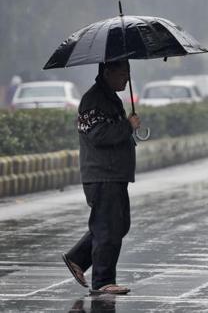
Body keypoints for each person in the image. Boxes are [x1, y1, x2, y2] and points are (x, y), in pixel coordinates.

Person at [62, 60, 141, 295]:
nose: (126, 78)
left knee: (119, 224)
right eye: (122, 73)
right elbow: (98, 135)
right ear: (107, 72)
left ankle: (77, 258)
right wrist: (127, 126)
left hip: (114, 173)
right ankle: (103, 281)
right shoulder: (94, 99)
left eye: (128, 73)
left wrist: (127, 127)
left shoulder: (109, 97)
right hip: (102, 173)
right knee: (108, 227)